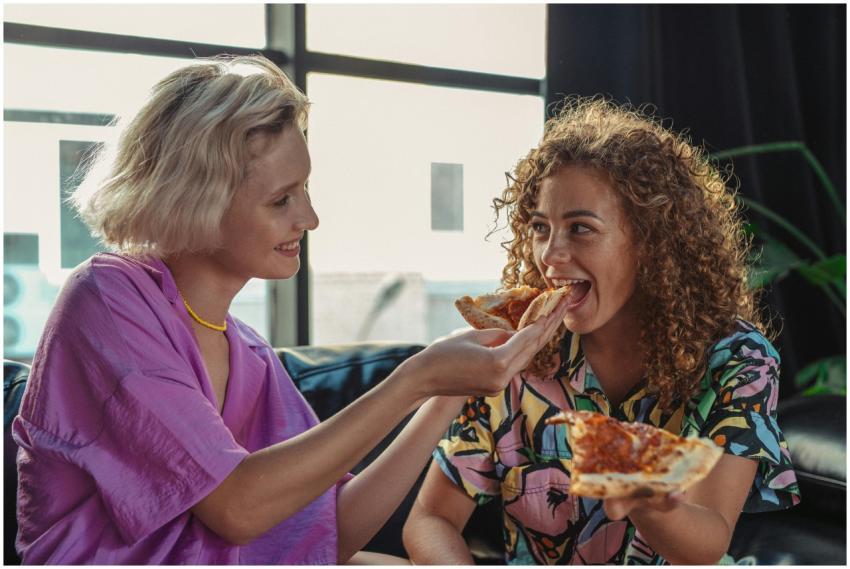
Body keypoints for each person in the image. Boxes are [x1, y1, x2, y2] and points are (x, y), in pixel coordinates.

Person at [11, 55, 571, 565]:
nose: (310, 218)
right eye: (281, 199)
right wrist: (413, 378)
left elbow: (334, 532)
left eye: (304, 189)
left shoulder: (250, 353)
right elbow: (238, 508)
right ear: (194, 199)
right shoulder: (108, 300)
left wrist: (446, 390)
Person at [402, 96, 801, 565]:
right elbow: (430, 520)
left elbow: (707, 543)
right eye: (539, 227)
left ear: (650, 242)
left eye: (581, 229)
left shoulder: (739, 361)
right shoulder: (511, 354)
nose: (550, 256)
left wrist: (649, 502)